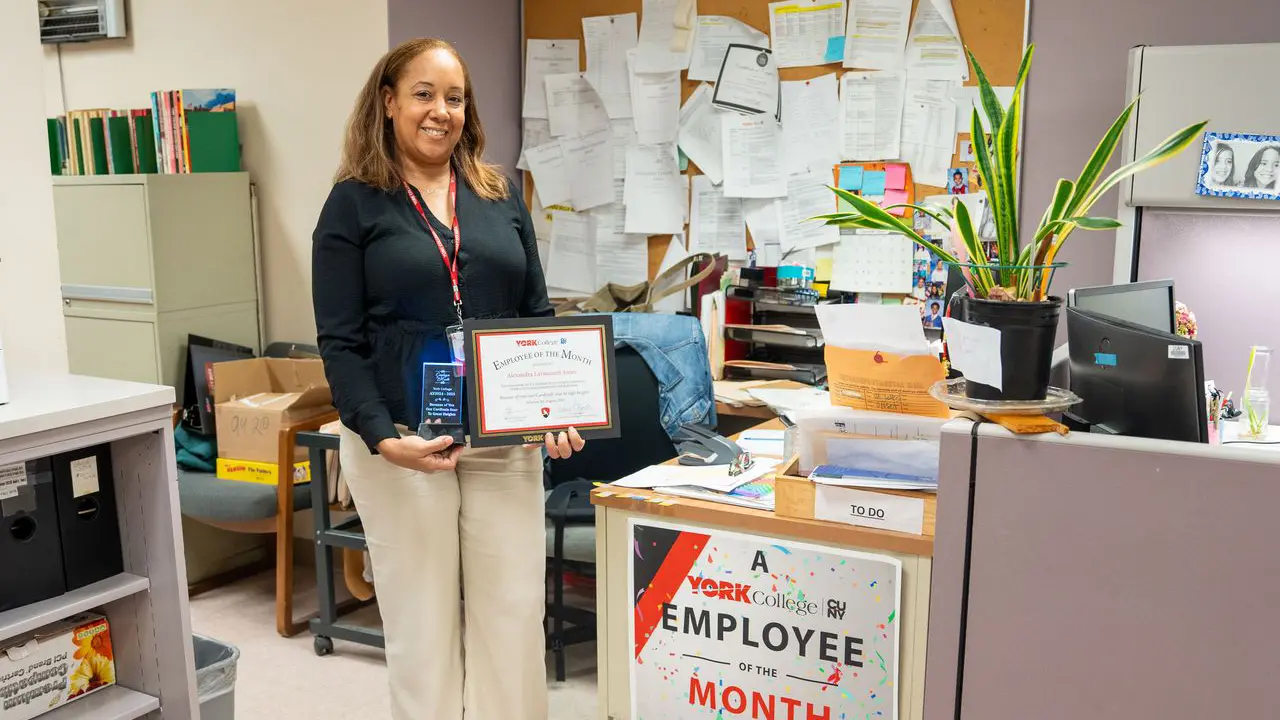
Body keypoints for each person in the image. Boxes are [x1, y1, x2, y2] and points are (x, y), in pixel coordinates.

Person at [311, 37, 584, 720]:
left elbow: (537, 317)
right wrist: (380, 438)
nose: (441, 111)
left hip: (502, 443)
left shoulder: (499, 197)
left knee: (515, 620)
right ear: (389, 102)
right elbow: (340, 344)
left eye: (454, 97)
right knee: (423, 629)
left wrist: (554, 408)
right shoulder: (353, 206)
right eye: (424, 94)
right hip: (404, 443)